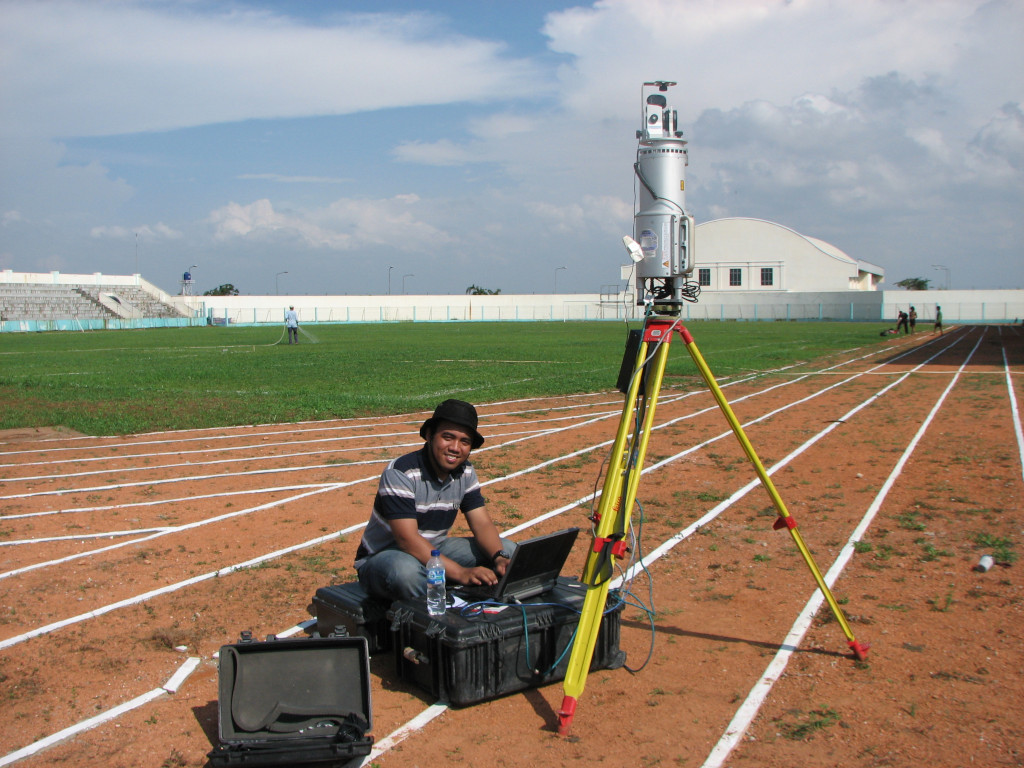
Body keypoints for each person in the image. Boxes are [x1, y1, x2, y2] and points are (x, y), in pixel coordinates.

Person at [355, 399, 516, 601]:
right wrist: (460, 573)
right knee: (406, 573)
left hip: (435, 549)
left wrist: (499, 557)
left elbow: (482, 523)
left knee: (509, 551)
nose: (455, 448)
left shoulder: (465, 471)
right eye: (447, 437)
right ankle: (435, 620)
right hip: (385, 556)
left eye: (464, 441)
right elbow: (407, 540)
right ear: (430, 436)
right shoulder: (401, 473)